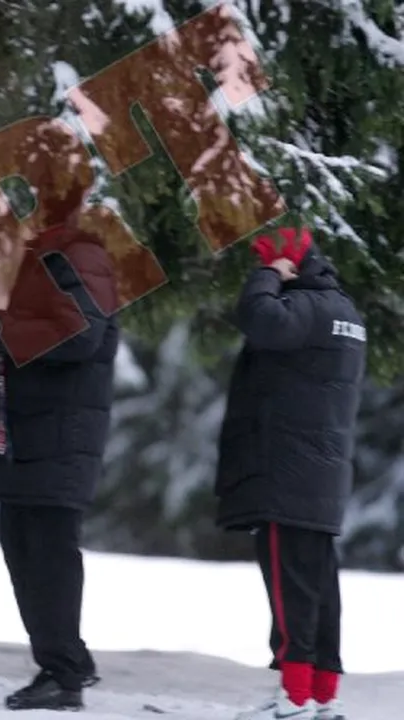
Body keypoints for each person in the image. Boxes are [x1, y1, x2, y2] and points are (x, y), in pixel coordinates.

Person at [216, 227, 365, 720]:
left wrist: (267, 275)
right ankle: (323, 695)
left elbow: (259, 319)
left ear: (293, 267)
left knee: (290, 590)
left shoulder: (305, 306)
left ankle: (295, 699)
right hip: (320, 475)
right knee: (320, 589)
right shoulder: (343, 311)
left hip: (288, 471)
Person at [0, 214, 118, 711]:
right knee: (23, 548)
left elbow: (82, 336)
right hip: (31, 437)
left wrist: (9, 326)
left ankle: (65, 672)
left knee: (49, 555)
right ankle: (63, 664)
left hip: (60, 438)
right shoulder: (43, 261)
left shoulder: (83, 257)